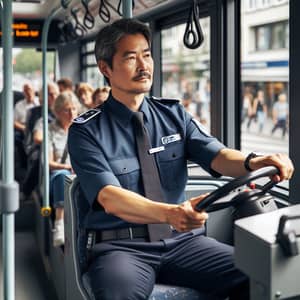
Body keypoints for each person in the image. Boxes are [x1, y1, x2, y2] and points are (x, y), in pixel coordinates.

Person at [68, 19, 294, 300]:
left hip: (182, 242)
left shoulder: (174, 115)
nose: (144, 65)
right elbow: (110, 197)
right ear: (105, 68)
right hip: (121, 248)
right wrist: (170, 213)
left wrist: (254, 161)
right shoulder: (86, 131)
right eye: (130, 57)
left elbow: (218, 155)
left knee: (263, 276)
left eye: (147, 54)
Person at [49, 91, 80, 247]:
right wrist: (68, 167)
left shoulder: (82, 129)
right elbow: (49, 162)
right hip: (58, 174)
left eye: (74, 109)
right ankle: (59, 225)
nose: (71, 113)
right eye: (67, 110)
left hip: (79, 172)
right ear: (58, 112)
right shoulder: (50, 130)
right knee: (63, 176)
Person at [21, 82, 59, 200]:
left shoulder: (62, 111)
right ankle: (27, 190)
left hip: (58, 144)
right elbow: (34, 136)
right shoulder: (35, 113)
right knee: (40, 157)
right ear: (42, 97)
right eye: (49, 95)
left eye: (55, 94)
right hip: (36, 145)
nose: (53, 97)